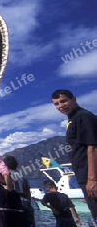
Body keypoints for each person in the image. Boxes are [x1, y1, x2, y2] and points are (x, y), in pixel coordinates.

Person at [51, 89, 97, 224]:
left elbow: (93, 147)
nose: (61, 106)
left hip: (91, 177)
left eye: (64, 101)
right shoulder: (73, 120)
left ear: (74, 99)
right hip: (84, 178)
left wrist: (92, 180)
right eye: (56, 104)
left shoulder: (82, 116)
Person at [4, 155, 36, 227]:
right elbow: (28, 192)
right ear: (16, 165)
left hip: (14, 205)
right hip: (26, 204)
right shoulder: (22, 177)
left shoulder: (6, 176)